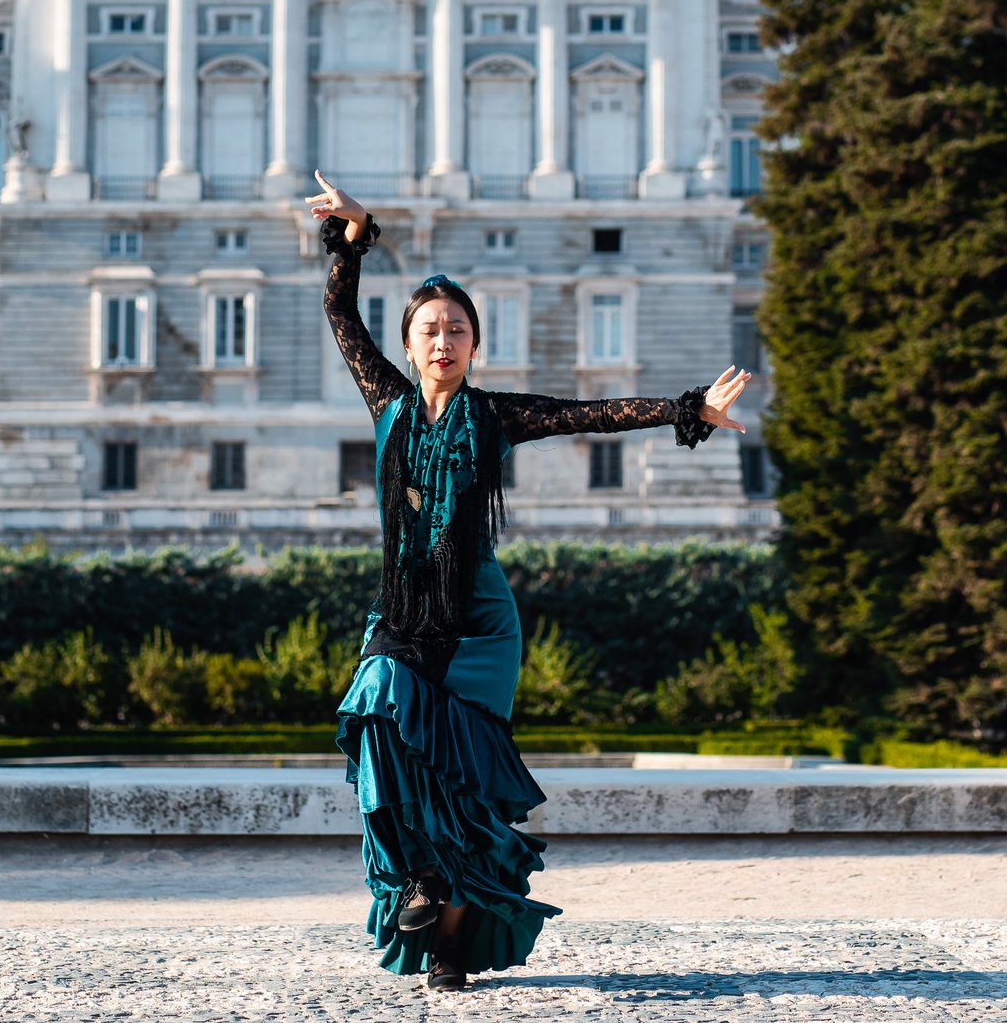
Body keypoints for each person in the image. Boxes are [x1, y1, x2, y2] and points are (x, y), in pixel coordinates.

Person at [305, 168, 750, 991]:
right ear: (408, 346)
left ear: (476, 345)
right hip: (404, 610)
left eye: (458, 330)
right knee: (375, 703)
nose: (443, 342)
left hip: (478, 618)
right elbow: (339, 313)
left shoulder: (496, 415)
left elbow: (592, 412)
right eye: (430, 330)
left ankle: (450, 937)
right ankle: (420, 877)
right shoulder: (388, 404)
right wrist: (357, 235)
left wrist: (689, 407)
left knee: (468, 788)